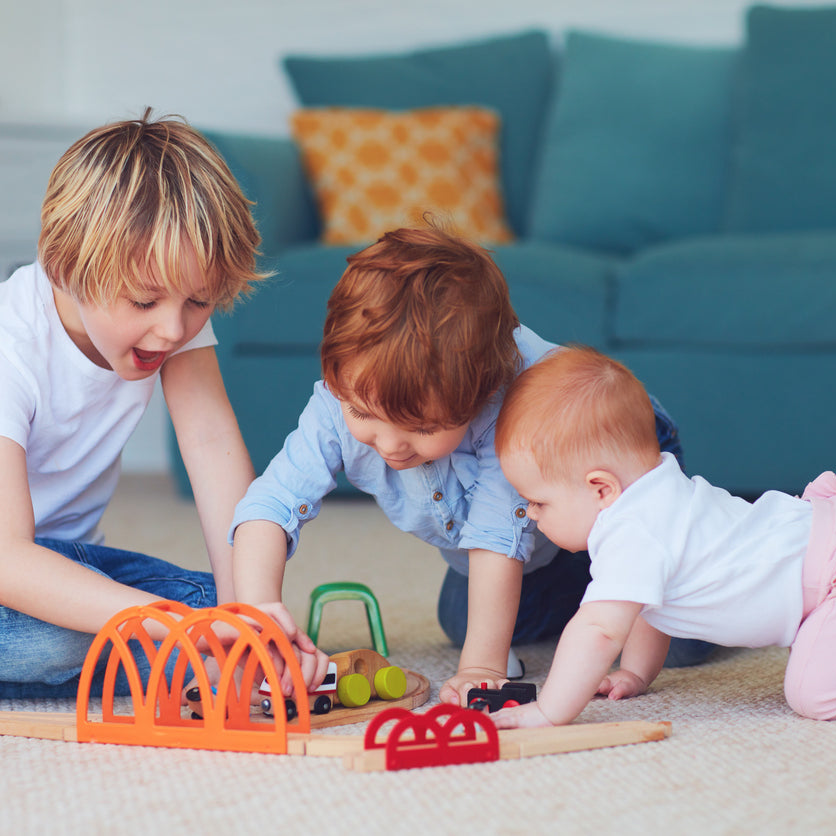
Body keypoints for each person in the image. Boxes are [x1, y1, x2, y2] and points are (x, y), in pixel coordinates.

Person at [0, 110, 327, 707]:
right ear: (68, 267)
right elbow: (3, 565)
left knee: (223, 606)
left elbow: (211, 447)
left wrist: (246, 625)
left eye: (199, 301)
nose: (173, 328)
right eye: (145, 301)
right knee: (79, 635)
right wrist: (186, 631)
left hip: (59, 560)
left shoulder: (170, 321)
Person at [229, 225, 712, 706]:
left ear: (481, 393)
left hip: (602, 457)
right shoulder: (340, 396)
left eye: (419, 426)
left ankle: (711, 557)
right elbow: (271, 504)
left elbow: (495, 538)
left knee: (674, 634)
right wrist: (257, 613)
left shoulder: (517, 411)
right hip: (544, 537)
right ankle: (592, 583)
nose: (390, 444)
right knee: (463, 620)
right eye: (363, 414)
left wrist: (480, 671)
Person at [488, 345, 836, 728]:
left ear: (600, 488)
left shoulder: (634, 530)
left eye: (538, 501)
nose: (531, 516)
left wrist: (549, 711)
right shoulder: (656, 498)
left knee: (818, 693)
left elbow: (599, 630)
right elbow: (650, 606)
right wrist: (638, 675)